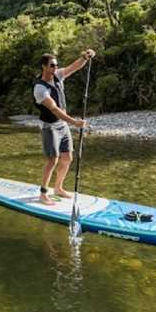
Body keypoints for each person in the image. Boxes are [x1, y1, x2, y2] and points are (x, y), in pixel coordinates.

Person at [33, 49, 95, 206]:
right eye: (52, 65)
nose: (55, 68)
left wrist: (85, 57)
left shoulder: (58, 75)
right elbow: (54, 109)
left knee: (67, 158)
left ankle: (58, 188)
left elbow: (74, 67)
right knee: (52, 160)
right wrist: (74, 122)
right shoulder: (40, 89)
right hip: (50, 126)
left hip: (63, 125)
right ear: (44, 67)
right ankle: (43, 193)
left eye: (56, 65)